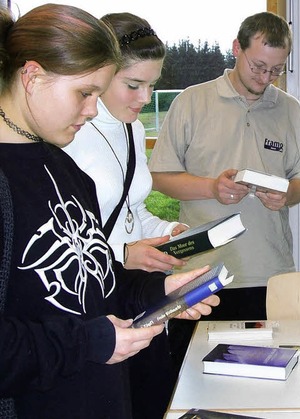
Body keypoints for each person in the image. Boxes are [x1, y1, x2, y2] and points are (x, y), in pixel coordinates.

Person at [0, 5, 218, 418]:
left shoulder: (63, 167)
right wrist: (91, 342)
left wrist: (157, 294)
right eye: (85, 93)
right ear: (32, 76)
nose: (93, 109)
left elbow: (93, 278)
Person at [148, 11, 300, 358]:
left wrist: (286, 196)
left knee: (262, 388)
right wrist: (212, 188)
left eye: (276, 69)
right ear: (236, 48)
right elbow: (160, 177)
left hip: (269, 275)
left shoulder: (292, 111)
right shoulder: (191, 102)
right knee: (191, 382)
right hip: (200, 273)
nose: (266, 77)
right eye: (258, 66)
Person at [63, 12, 189, 417]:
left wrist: (168, 229)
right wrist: (120, 253)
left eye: (151, 85)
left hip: (135, 293)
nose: (143, 98)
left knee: (152, 397)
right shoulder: (71, 131)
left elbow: (130, 208)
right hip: (92, 300)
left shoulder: (131, 127)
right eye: (133, 85)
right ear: (99, 72)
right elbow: (59, 234)